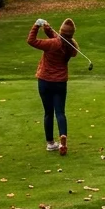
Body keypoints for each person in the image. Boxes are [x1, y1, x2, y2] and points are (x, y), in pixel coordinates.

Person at [27, 17, 79, 155]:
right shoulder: (71, 47)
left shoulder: (53, 43)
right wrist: (47, 28)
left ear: (61, 31)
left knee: (48, 113)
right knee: (60, 112)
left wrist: (36, 26)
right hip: (60, 83)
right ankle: (63, 137)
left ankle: (50, 143)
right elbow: (59, 39)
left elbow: (31, 41)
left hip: (45, 81)